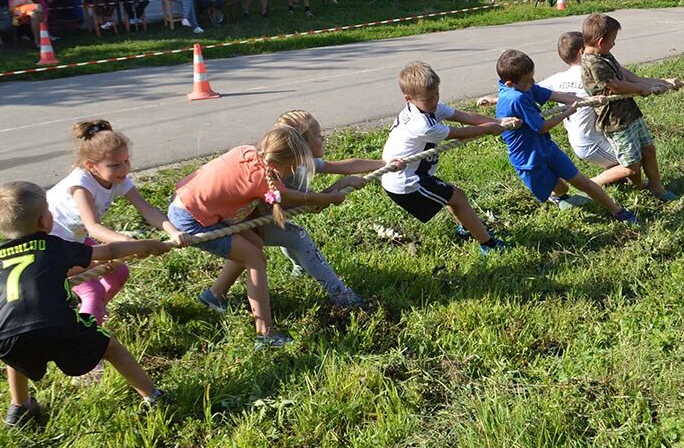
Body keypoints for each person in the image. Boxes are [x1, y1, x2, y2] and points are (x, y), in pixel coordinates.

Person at [0, 181, 171, 428]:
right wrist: (147, 245)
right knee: (112, 348)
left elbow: (47, 270)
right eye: (49, 211)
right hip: (57, 327)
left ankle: (19, 407)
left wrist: (93, 267)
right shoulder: (54, 246)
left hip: (6, 337)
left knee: (16, 352)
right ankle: (154, 397)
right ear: (44, 222)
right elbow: (110, 249)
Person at [45, 119, 192, 380]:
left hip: (76, 242)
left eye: (126, 161)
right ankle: (86, 361)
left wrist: (172, 230)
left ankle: (92, 314)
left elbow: (146, 209)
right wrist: (126, 241)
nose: (124, 168)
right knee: (91, 290)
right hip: (53, 249)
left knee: (118, 274)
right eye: (115, 165)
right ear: (91, 166)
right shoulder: (81, 184)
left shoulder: (119, 179)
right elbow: (92, 227)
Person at [168, 127, 336, 349]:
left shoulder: (246, 151)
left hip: (192, 204)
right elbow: (289, 198)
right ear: (277, 164)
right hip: (192, 219)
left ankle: (214, 295)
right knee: (255, 259)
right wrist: (323, 197)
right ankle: (265, 334)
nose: (294, 171)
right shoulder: (263, 180)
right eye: (293, 166)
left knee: (254, 244)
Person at [266, 110, 405, 307]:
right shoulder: (287, 172)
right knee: (298, 238)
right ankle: (341, 295)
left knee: (285, 231)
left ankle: (300, 268)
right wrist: (339, 186)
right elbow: (313, 205)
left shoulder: (303, 163)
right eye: (317, 135)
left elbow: (344, 166)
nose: (323, 137)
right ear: (302, 144)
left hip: (267, 218)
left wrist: (383, 163)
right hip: (249, 221)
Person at [380, 62, 514, 255]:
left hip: (414, 174)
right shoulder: (421, 124)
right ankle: (488, 245)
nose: (434, 101)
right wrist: (489, 128)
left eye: (437, 94)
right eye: (428, 98)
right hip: (406, 181)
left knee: (454, 197)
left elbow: (463, 116)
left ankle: (467, 228)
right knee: (457, 198)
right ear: (409, 99)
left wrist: (499, 121)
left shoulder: (426, 108)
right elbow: (460, 133)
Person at [494, 49, 641, 223]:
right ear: (510, 83)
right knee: (561, 188)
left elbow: (552, 95)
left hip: (546, 148)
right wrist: (567, 112)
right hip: (528, 159)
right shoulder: (515, 98)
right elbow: (541, 127)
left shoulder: (524, 88)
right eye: (528, 80)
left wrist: (581, 100)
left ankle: (617, 211)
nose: (532, 82)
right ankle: (558, 197)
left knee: (582, 181)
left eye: (533, 77)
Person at [477, 31, 640, 187]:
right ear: (583, 52)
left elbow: (527, 90)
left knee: (631, 155)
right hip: (590, 143)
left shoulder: (557, 78)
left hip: (582, 141)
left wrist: (493, 99)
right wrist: (648, 86)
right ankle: (594, 184)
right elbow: (626, 83)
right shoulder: (596, 73)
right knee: (634, 160)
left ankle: (613, 178)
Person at [580, 13, 681, 201]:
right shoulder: (592, 62)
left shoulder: (604, 54)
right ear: (601, 41)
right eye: (613, 40)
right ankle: (590, 184)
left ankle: (656, 189)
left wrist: (660, 82)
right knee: (630, 166)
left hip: (630, 113)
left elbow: (624, 74)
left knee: (648, 150)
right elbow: (616, 86)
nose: (614, 44)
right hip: (615, 121)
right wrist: (642, 88)